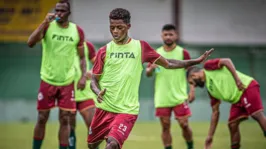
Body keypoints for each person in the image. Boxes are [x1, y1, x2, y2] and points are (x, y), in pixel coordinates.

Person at [88, 8, 213, 149]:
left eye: (119, 27)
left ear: (128, 27)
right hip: (104, 109)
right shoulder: (104, 51)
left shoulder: (140, 47)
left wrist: (196, 61)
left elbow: (169, 63)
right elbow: (94, 80)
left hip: (127, 110)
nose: (115, 31)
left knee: (112, 145)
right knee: (92, 146)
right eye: (112, 28)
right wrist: (97, 91)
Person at [27, 1, 87, 149]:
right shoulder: (48, 27)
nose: (59, 13)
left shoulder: (77, 31)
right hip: (47, 79)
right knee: (42, 117)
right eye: (57, 10)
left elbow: (82, 57)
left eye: (62, 10)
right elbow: (30, 42)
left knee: (65, 119)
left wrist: (83, 76)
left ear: (69, 13)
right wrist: (43, 23)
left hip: (67, 82)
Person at [186, 58, 266, 149]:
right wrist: (210, 136)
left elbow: (226, 61)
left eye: (192, 83)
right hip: (237, 100)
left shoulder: (208, 67)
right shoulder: (210, 90)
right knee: (232, 124)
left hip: (246, 87)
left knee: (256, 114)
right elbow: (215, 113)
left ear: (193, 75)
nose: (194, 86)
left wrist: (237, 80)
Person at [146, 24, 194, 149]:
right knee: (165, 126)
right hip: (162, 97)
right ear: (162, 36)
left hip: (179, 95)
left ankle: (190, 146)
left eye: (171, 34)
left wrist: (192, 90)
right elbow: (148, 73)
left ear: (176, 36)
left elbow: (191, 74)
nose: (168, 37)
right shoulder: (155, 53)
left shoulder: (183, 53)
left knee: (184, 124)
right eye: (166, 34)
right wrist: (151, 68)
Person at [69, 41, 97, 149]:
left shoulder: (87, 46)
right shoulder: (63, 45)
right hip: (67, 90)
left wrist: (91, 72)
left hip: (85, 92)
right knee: (69, 127)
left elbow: (98, 63)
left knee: (93, 126)